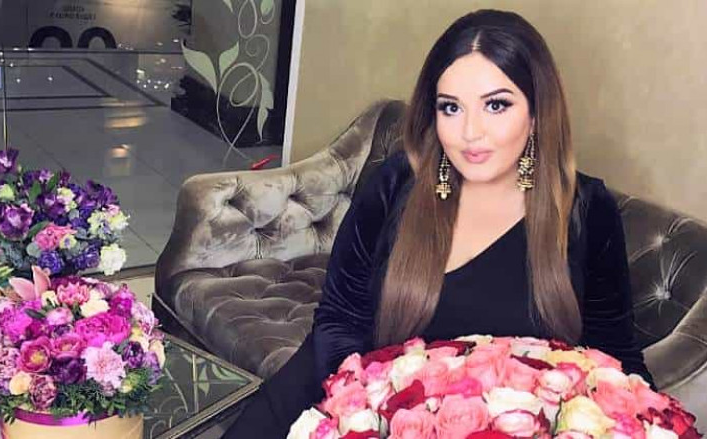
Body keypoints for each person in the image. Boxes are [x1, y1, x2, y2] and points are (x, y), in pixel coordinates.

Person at [224, 9, 653, 438]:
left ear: (538, 112)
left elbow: (615, 358)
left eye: (496, 105)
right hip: (352, 405)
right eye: (451, 107)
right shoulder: (396, 185)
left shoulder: (586, 210)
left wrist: (652, 420)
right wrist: (362, 415)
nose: (470, 132)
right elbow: (339, 320)